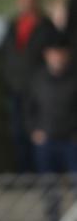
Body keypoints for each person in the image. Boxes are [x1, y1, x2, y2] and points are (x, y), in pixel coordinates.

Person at [0, 0, 57, 173]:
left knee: (37, 132)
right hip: (16, 88)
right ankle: (22, 173)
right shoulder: (12, 25)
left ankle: (39, 175)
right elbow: (4, 54)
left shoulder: (46, 26)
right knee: (18, 133)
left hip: (38, 91)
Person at [25, 33, 77, 175]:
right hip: (46, 139)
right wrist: (34, 131)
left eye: (61, 53)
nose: (57, 57)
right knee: (48, 184)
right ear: (47, 55)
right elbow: (29, 108)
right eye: (54, 53)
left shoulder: (74, 78)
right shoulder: (38, 79)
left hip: (71, 140)